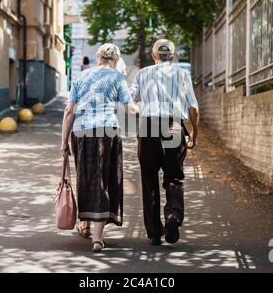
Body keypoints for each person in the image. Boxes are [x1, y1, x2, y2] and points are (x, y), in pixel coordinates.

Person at [61, 44, 139, 253]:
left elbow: (69, 111)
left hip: (82, 132)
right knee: (106, 178)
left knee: (87, 177)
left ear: (98, 58)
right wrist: (141, 111)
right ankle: (97, 238)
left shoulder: (80, 77)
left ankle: (85, 225)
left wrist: (63, 142)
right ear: (115, 59)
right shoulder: (117, 78)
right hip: (107, 131)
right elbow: (130, 106)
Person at [130, 39, 200, 246]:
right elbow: (193, 109)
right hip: (173, 127)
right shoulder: (182, 74)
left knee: (149, 180)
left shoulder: (142, 74)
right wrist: (194, 134)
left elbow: (130, 100)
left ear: (153, 56)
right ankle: (173, 219)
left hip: (148, 128)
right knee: (174, 178)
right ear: (172, 56)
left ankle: (154, 233)